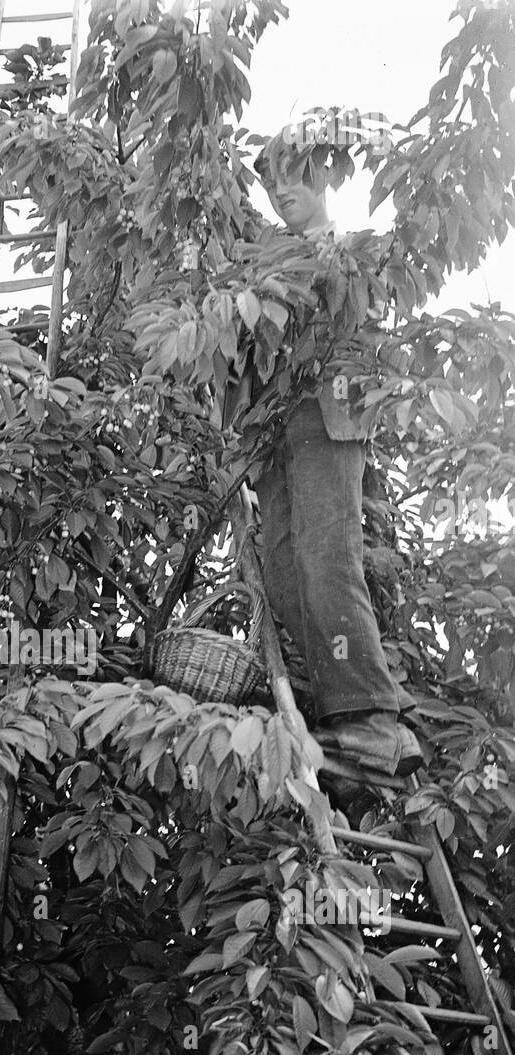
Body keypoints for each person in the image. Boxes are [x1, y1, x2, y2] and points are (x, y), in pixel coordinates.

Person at [222, 139, 423, 778]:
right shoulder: (265, 261)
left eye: (293, 180)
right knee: (283, 568)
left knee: (326, 556)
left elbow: (370, 343)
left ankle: (373, 720)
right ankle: (343, 710)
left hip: (328, 420)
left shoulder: (355, 253)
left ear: (324, 179)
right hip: (276, 432)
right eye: (272, 185)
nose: (282, 193)